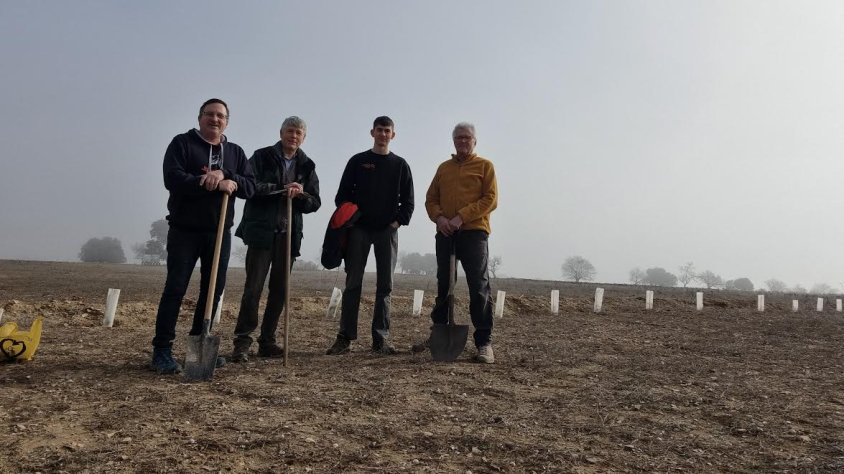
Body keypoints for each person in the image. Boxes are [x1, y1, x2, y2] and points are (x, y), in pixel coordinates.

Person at [150, 98, 255, 374]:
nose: (215, 119)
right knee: (175, 288)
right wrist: (208, 183)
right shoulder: (182, 144)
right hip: (184, 230)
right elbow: (172, 179)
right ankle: (162, 350)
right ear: (200, 118)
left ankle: (198, 348)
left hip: (219, 232)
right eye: (210, 114)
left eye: (221, 116)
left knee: (213, 291)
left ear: (227, 122)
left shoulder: (235, 152)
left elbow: (250, 186)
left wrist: (228, 175)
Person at [231, 116, 321, 363]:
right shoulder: (261, 157)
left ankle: (267, 342)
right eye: (290, 131)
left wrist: (301, 195)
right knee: (253, 289)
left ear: (304, 138)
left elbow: (315, 202)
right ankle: (242, 342)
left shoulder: (307, 165)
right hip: (261, 233)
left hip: (289, 236)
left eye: (298, 133)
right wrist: (281, 189)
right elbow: (248, 186)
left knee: (280, 291)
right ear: (281, 133)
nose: (294, 136)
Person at [326, 116, 414, 355]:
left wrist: (396, 223)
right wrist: (352, 219)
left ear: (393, 135)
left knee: (385, 286)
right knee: (353, 283)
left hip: (387, 231)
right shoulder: (358, 161)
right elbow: (342, 196)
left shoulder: (400, 165)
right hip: (359, 231)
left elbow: (408, 202)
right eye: (379, 130)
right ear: (372, 132)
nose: (383, 134)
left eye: (387, 130)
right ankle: (345, 337)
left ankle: (381, 339)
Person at [414, 122, 498, 363]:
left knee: (478, 286)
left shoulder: (485, 166)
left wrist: (461, 217)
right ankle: (438, 333)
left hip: (474, 233)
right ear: (453, 141)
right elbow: (431, 199)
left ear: (475, 141)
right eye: (459, 137)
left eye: (467, 137)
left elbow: (491, 199)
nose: (462, 141)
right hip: (446, 233)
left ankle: (484, 342)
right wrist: (440, 219)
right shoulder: (444, 168)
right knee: (444, 284)